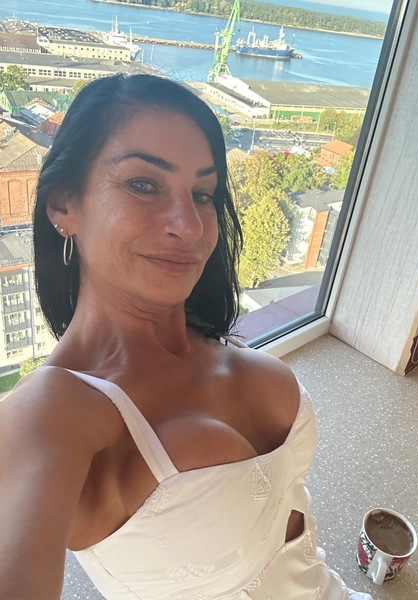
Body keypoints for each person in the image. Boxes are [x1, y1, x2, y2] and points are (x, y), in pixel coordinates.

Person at [0, 74, 372, 600]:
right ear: (64, 205)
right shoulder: (53, 410)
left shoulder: (215, 341)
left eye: (202, 194)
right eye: (143, 184)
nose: (190, 227)